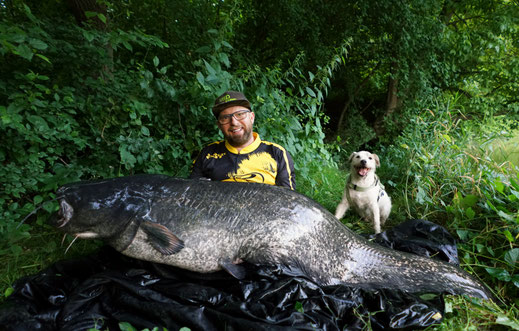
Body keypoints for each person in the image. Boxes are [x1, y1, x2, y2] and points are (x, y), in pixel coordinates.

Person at [189, 91, 296, 190]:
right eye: (225, 118)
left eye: (240, 114)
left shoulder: (276, 153)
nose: (234, 122)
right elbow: (191, 195)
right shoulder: (207, 154)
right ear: (219, 125)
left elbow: (288, 200)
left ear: (251, 117)